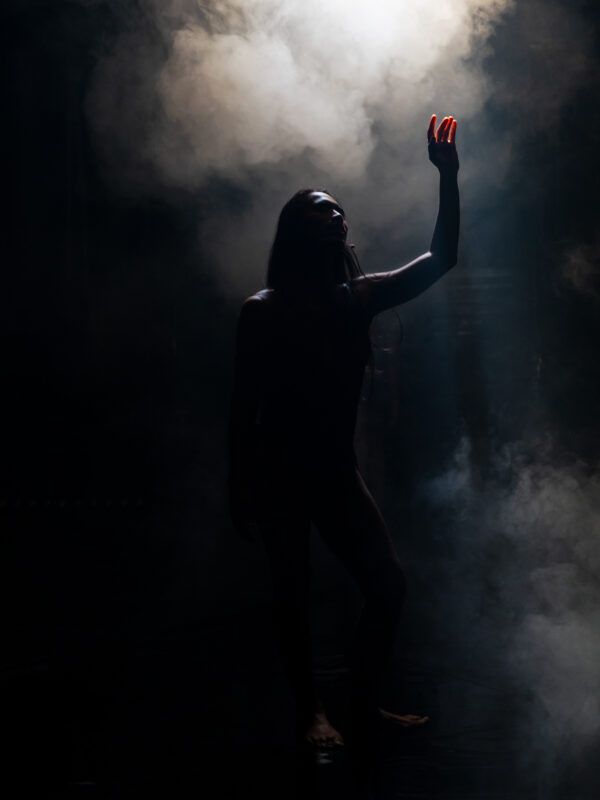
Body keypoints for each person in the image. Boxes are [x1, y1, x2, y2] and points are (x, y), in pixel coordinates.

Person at [228, 115, 459, 751]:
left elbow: (444, 258)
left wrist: (450, 176)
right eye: (321, 210)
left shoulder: (359, 298)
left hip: (333, 472)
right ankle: (311, 711)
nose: (337, 216)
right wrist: (236, 480)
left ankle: (361, 702)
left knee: (388, 586)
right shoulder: (263, 311)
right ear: (298, 230)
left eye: (339, 209)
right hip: (279, 470)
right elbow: (242, 405)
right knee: (292, 592)